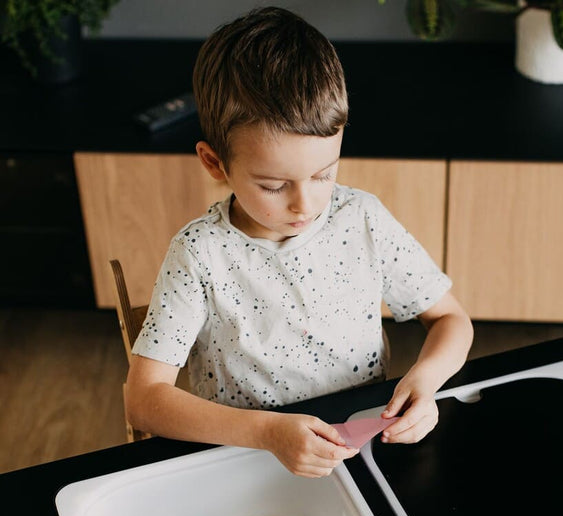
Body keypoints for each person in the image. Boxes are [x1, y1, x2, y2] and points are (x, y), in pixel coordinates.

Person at [125, 6, 473, 479]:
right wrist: (267, 433)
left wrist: (426, 382)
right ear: (214, 163)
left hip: (360, 439)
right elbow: (144, 400)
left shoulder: (362, 217)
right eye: (273, 185)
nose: (304, 205)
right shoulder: (200, 253)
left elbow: (451, 319)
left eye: (324, 174)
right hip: (245, 455)